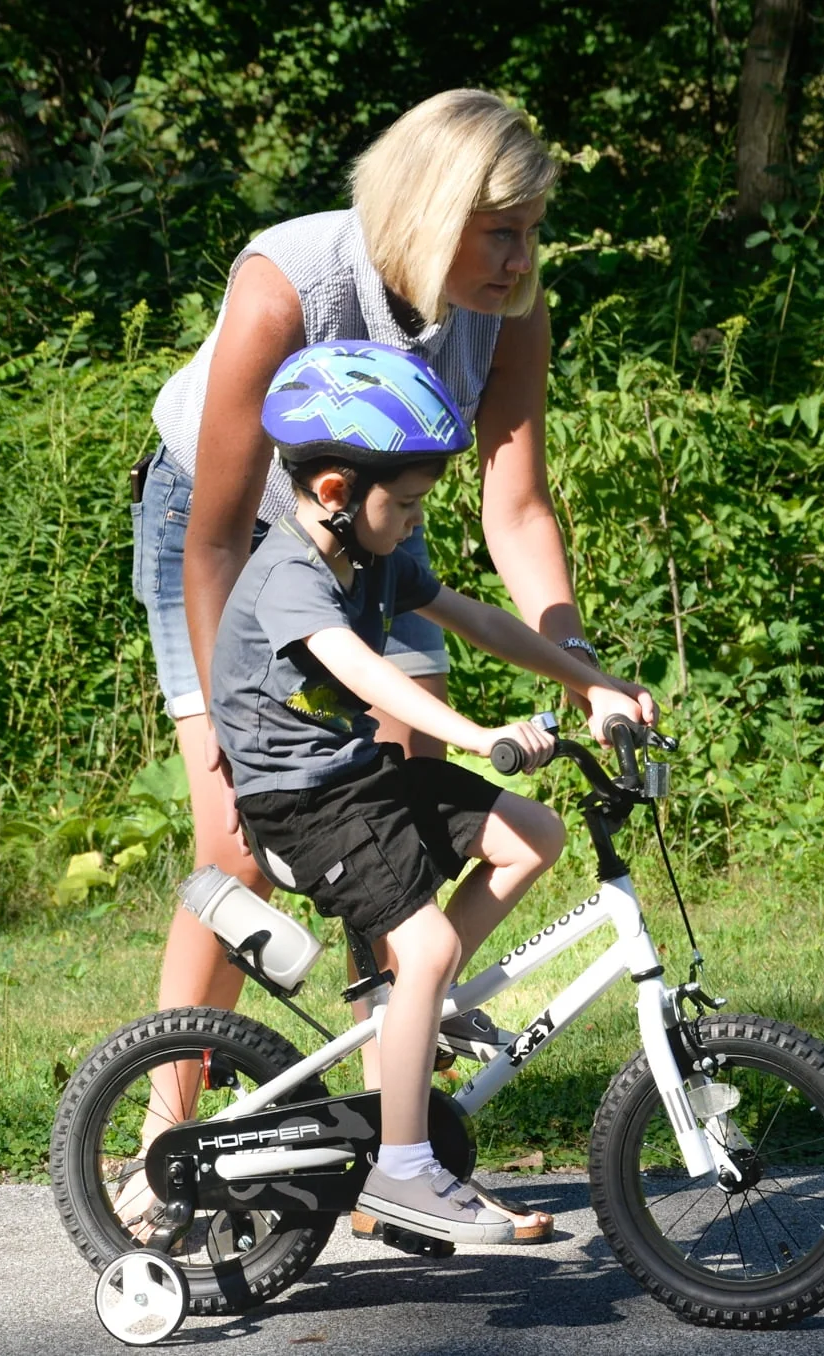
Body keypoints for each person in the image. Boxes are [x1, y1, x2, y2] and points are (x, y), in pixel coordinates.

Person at [132, 88, 655, 1238]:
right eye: (499, 230)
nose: (521, 259)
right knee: (241, 836)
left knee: (401, 815)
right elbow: (220, 530)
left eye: (530, 231)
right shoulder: (292, 278)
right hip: (220, 534)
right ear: (430, 210)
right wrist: (230, 722)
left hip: (378, 538)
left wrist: (578, 666)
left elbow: (514, 508)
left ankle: (385, 1146)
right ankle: (164, 1152)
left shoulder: (509, 306)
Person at [211, 340, 624, 1241]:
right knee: (428, 942)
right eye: (403, 504)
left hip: (358, 780)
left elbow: (471, 618)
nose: (410, 522)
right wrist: (474, 737)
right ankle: (401, 1171)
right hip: (300, 805)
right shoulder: (288, 574)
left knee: (533, 836)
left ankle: (420, 1009)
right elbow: (361, 670)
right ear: (334, 494)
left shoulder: (379, 552)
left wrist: (587, 683)